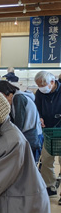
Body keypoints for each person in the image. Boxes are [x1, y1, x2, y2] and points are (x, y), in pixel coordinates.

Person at [0, 80, 43, 162]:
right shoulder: (16, 98)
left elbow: (19, 124)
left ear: (7, 93)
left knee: (29, 169)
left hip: (31, 138)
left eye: (1, 97)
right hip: (29, 136)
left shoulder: (18, 98)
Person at [34, 71, 61, 200]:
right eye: (38, 85)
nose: (41, 88)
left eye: (43, 84)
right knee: (46, 159)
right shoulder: (40, 93)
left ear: (52, 82)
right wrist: (39, 117)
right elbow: (36, 108)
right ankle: (50, 186)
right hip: (48, 131)